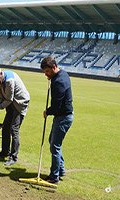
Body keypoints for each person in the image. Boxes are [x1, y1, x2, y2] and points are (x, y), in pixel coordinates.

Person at [40, 56, 74, 184]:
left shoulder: (58, 82)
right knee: (53, 142)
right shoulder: (63, 74)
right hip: (64, 115)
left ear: (54, 67)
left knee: (55, 146)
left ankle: (54, 177)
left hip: (63, 117)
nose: (46, 75)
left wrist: (47, 112)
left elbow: (56, 106)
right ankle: (61, 170)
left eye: (47, 72)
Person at [0, 66, 30, 166]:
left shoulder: (9, 80)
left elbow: (9, 99)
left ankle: (13, 157)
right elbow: (2, 96)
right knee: (5, 127)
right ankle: (5, 152)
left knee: (14, 129)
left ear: (1, 73)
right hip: (11, 104)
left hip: (20, 103)